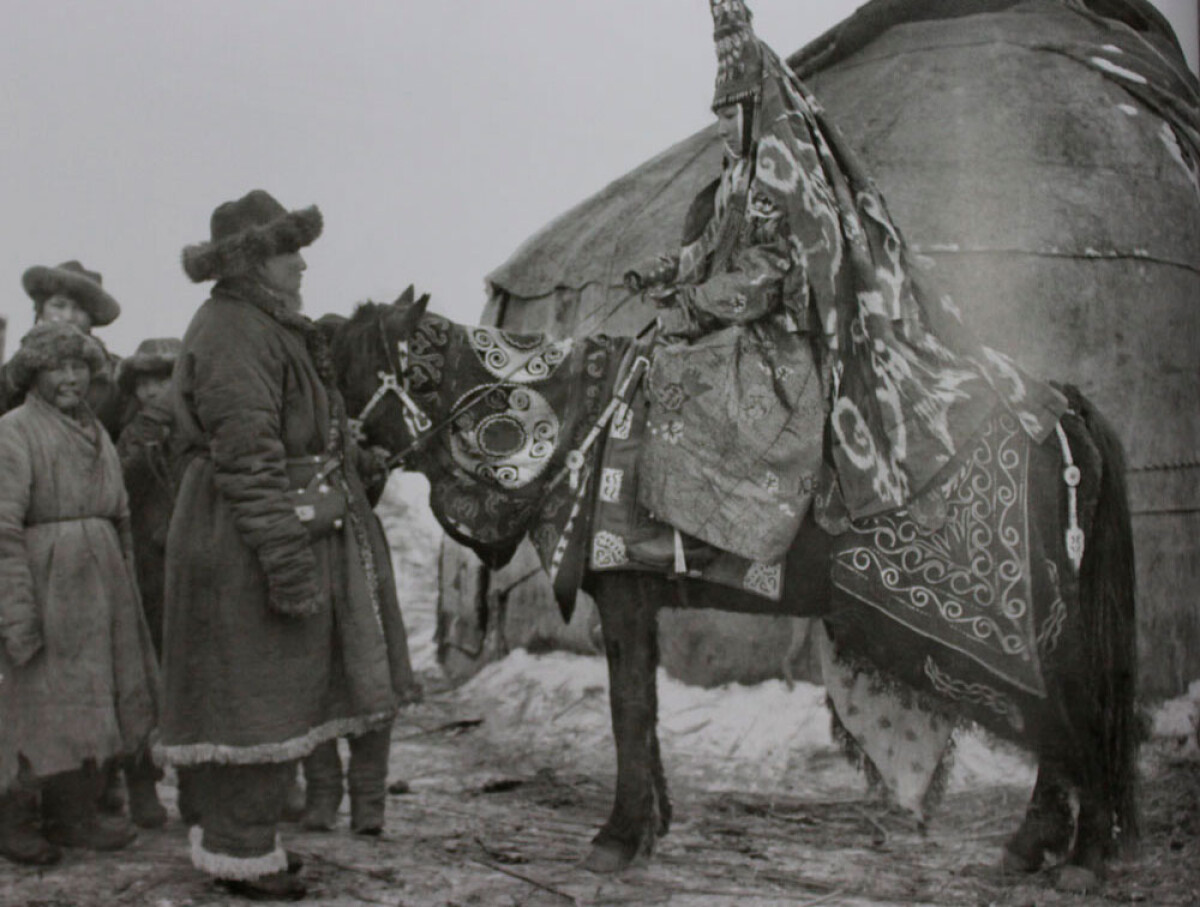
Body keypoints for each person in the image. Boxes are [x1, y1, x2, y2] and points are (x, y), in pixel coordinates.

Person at [627, 0, 1068, 563]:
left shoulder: (779, 175)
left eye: (726, 115)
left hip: (785, 336)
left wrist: (691, 307)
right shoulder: (737, 177)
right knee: (673, 359)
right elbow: (709, 246)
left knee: (698, 379)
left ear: (752, 109)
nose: (719, 128)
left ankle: (730, 539)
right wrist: (663, 271)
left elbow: (765, 276)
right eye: (715, 115)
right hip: (745, 323)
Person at [162, 189, 416, 900]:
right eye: (288, 250)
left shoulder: (265, 325)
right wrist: (285, 561)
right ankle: (242, 848)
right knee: (252, 692)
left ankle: (240, 842)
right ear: (251, 262)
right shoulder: (235, 332)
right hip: (245, 538)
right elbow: (248, 458)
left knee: (263, 687)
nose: (303, 264)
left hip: (261, 530)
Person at [0, 322, 160, 866]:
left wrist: (126, 594)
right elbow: (2, 529)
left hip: (101, 586)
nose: (71, 378)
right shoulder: (14, 432)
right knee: (36, 705)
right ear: (33, 374)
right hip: (47, 585)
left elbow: (120, 516)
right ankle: (15, 816)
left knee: (90, 704)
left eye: (78, 367)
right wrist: (16, 612)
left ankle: (74, 816)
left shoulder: (95, 433)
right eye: (57, 367)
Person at [107, 338, 183, 829]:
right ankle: (142, 786)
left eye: (165, 379)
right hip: (146, 573)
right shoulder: (129, 431)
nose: (155, 390)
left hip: (195, 568)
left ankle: (202, 786)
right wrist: (146, 441)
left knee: (197, 678)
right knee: (142, 677)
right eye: (146, 381)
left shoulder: (204, 426)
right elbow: (118, 484)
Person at [1, 261, 126, 438]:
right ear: (40, 311)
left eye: (79, 309)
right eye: (58, 305)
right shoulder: (9, 376)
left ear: (92, 318)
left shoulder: (116, 375)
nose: (68, 317)